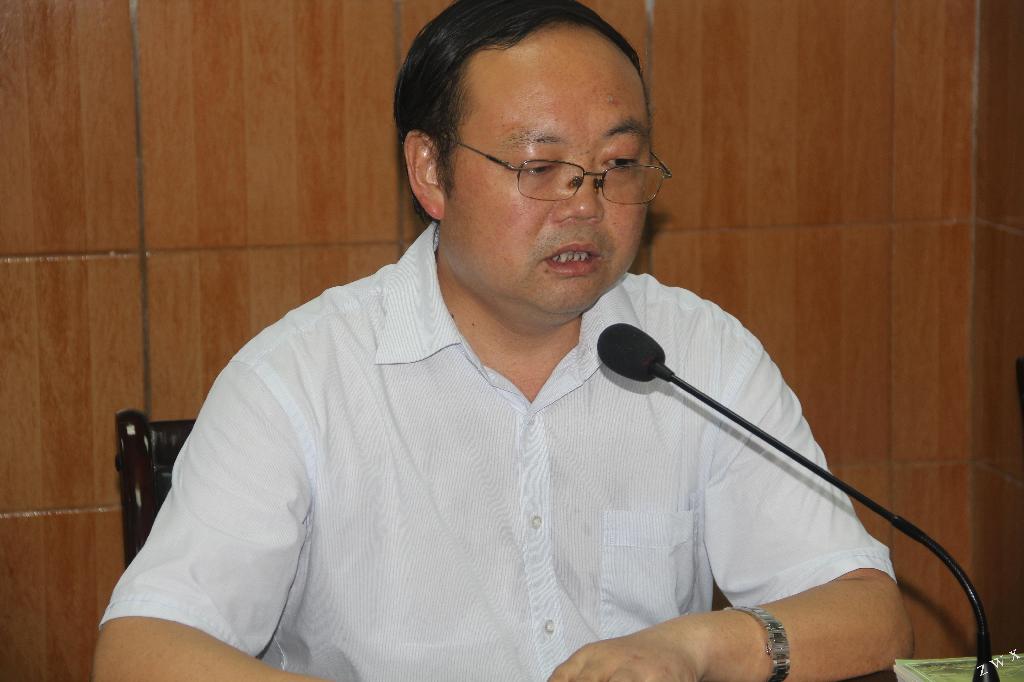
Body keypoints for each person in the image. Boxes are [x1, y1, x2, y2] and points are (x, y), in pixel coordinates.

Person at [93, 1, 912, 680]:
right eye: (538, 166)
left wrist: (695, 647)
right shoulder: (301, 379)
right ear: (431, 171)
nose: (585, 204)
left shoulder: (697, 355)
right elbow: (141, 649)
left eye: (618, 164)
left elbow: (869, 611)